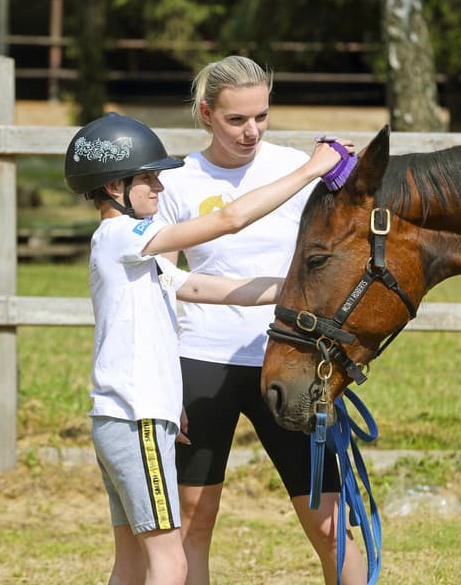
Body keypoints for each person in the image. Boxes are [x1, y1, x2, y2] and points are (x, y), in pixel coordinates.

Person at [63, 111, 353, 585]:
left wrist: (303, 288)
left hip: (128, 416)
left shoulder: (142, 260)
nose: (159, 187)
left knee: (133, 563)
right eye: (148, 178)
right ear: (116, 189)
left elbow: (213, 290)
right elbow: (229, 219)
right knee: (170, 562)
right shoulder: (122, 237)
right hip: (135, 417)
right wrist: (309, 169)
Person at [155, 56, 367, 584]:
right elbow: (162, 282)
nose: (251, 131)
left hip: (292, 358)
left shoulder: (296, 167)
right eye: (236, 120)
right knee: (193, 523)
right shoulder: (176, 181)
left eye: (261, 116)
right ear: (206, 114)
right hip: (202, 358)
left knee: (329, 523)